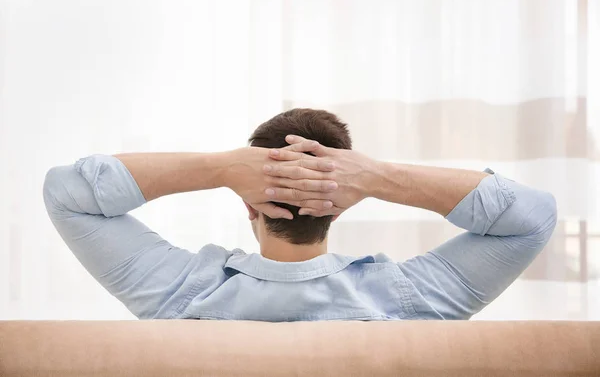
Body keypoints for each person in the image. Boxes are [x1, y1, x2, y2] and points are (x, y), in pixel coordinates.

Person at [43, 108, 557, 321]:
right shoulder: (406, 300)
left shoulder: (180, 293)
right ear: (339, 208)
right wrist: (376, 177)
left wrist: (219, 167)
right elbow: (532, 217)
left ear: (247, 204)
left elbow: (67, 192)